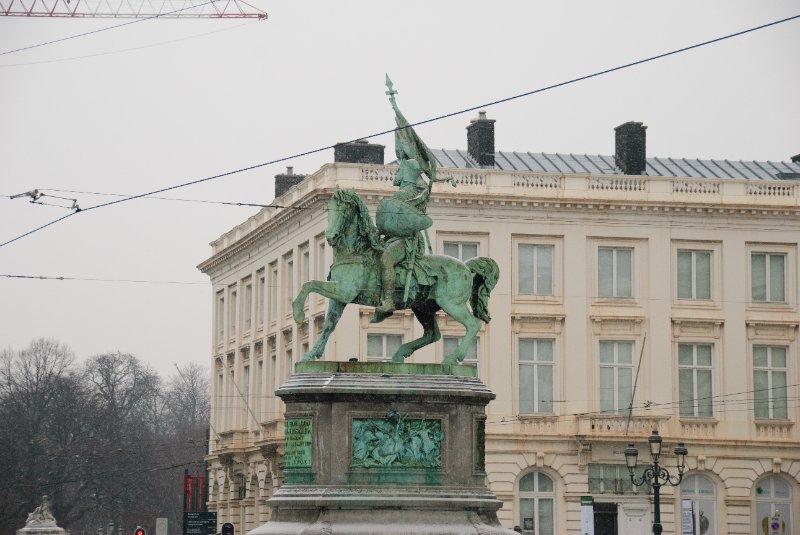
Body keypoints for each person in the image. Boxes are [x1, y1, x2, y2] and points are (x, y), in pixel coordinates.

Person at [374, 158, 430, 316]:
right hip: (395, 237)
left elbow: (401, 222)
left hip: (408, 240)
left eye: (399, 171)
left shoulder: (407, 194)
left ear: (406, 174)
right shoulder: (404, 194)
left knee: (386, 260)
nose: (396, 174)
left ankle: (389, 301)